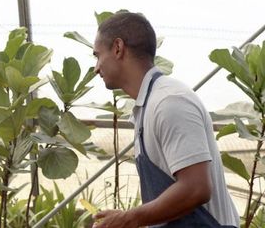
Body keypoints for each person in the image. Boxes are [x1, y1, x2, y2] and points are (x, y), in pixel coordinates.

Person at [91, 12, 239, 228]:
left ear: (117, 48)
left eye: (97, 55)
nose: (96, 68)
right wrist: (128, 217)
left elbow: (196, 188)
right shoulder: (148, 106)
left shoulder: (169, 102)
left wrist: (129, 219)